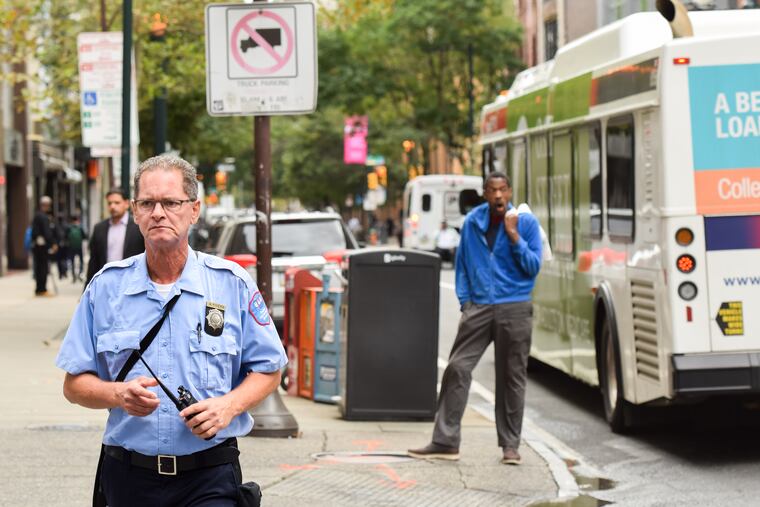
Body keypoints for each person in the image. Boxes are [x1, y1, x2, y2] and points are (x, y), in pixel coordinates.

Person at [55, 155, 287, 506]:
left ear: (194, 210)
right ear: (135, 211)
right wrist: (119, 394)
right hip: (129, 477)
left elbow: (269, 368)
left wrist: (228, 406)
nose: (158, 213)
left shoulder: (231, 284)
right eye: (147, 203)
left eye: (170, 202)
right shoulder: (105, 289)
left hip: (209, 476)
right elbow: (74, 385)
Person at [408, 171, 542, 465]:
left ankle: (510, 445)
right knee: (457, 367)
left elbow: (533, 267)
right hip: (479, 307)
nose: (497, 196)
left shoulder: (526, 223)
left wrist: (514, 236)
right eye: (492, 190)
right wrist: (466, 302)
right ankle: (445, 440)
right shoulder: (472, 224)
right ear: (484, 193)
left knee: (512, 378)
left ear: (509, 192)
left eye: (503, 190)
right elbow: (462, 265)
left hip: (515, 307)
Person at [85, 187, 145, 286]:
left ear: (126, 204)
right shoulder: (99, 228)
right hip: (106, 283)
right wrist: (87, 289)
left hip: (132, 282)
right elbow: (93, 262)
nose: (112, 206)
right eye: (109, 203)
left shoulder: (138, 226)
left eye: (117, 203)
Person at [30, 196, 58, 296]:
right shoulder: (43, 217)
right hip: (42, 247)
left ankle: (39, 288)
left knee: (39, 267)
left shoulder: (37, 215)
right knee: (43, 268)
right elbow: (47, 232)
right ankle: (41, 289)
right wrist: (53, 243)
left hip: (37, 246)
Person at [67, 215, 87, 282]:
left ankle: (73, 275)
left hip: (71, 247)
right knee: (81, 261)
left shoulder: (69, 228)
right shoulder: (80, 227)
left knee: (72, 262)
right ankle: (80, 274)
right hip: (79, 247)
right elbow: (85, 236)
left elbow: (66, 237)